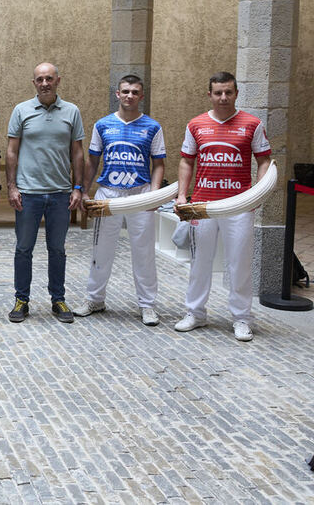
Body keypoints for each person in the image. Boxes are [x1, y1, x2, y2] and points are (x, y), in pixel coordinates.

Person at [175, 71, 271, 342]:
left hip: (239, 205)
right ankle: (195, 313)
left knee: (239, 264)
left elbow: (264, 160)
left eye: (228, 92)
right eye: (218, 92)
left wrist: (258, 192)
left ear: (236, 93)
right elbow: (186, 161)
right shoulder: (196, 124)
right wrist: (183, 196)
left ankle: (241, 318)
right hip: (204, 205)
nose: (223, 97)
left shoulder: (252, 124)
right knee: (199, 262)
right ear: (210, 95)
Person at [72, 75, 166, 325]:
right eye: (125, 91)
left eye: (135, 92)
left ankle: (147, 305)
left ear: (141, 96)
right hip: (108, 195)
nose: (130, 96)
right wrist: (84, 190)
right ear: (117, 94)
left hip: (140, 195)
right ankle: (94, 299)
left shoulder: (152, 127)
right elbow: (92, 161)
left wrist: (155, 193)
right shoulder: (103, 125)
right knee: (100, 251)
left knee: (144, 253)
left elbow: (159, 164)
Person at [6, 63, 85, 324]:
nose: (44, 83)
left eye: (49, 78)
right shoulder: (21, 110)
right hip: (28, 194)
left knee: (57, 249)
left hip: (61, 193)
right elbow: (12, 151)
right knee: (23, 249)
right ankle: (21, 300)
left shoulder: (71, 111)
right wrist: (12, 187)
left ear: (58, 80)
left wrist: (78, 187)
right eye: (39, 79)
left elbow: (77, 152)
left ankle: (58, 299)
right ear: (34, 83)